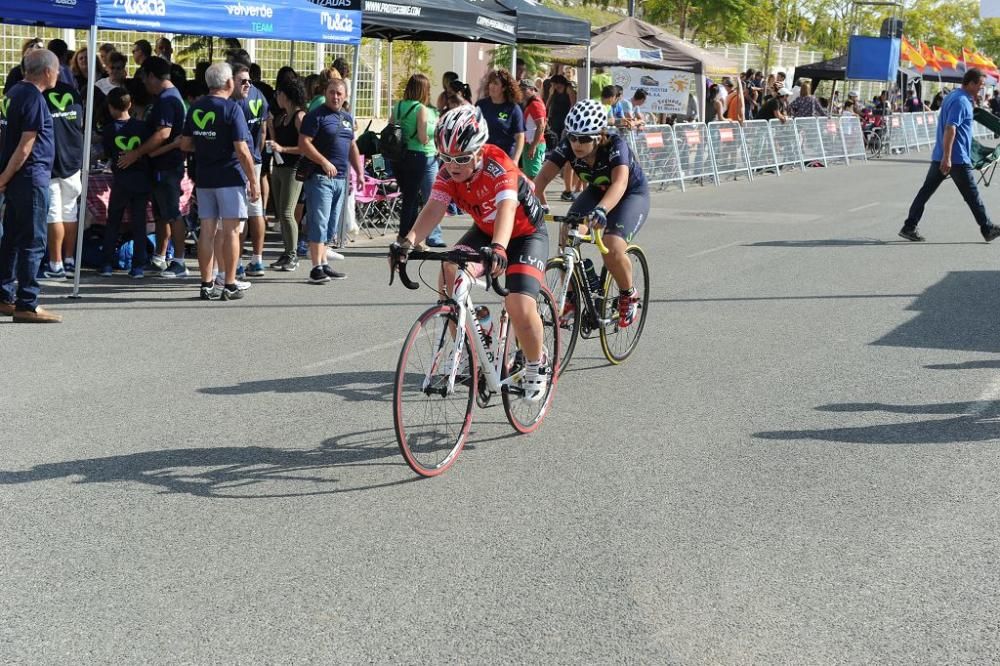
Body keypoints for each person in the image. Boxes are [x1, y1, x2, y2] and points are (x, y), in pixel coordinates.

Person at [389, 106, 552, 401]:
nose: (453, 166)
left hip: (525, 234)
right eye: (446, 158)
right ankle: (473, 342)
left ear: (479, 152)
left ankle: (536, 361)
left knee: (518, 304)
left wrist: (500, 248)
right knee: (449, 269)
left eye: (462, 159)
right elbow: (435, 207)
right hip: (488, 232)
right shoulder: (448, 172)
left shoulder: (498, 164)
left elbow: (506, 208)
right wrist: (408, 241)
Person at [533, 99, 649, 329]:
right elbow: (542, 178)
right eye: (573, 136)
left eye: (584, 139)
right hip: (597, 191)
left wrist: (602, 210)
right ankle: (576, 294)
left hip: (630, 194)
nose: (577, 143)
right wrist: (533, 202)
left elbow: (620, 183)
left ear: (599, 136)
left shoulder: (616, 145)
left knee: (612, 245)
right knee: (568, 233)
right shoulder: (569, 146)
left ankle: (629, 295)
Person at [180, 62, 259, 301]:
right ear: (228, 82)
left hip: (204, 177)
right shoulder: (232, 109)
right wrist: (254, 181)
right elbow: (242, 150)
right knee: (232, 231)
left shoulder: (195, 108)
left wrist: (205, 145)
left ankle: (206, 284)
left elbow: (184, 144)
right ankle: (230, 283)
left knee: (207, 230)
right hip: (229, 176)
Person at [899, 68, 1000, 243]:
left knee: (926, 192)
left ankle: (909, 226)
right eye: (980, 85)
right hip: (956, 158)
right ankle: (987, 227)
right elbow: (950, 128)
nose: (981, 89)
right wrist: (948, 157)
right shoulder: (961, 101)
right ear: (970, 83)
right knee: (972, 195)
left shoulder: (955, 96)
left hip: (943, 155)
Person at [0, 48, 61, 323]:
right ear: (47, 71)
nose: (59, 74)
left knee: (11, 238)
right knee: (33, 241)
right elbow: (26, 145)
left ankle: (4, 296)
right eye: (57, 69)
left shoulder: (12, 94)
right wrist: (4, 178)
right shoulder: (34, 98)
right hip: (30, 177)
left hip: (16, 179)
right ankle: (27, 302)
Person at [119, 56, 189, 277]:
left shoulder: (168, 100)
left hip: (168, 166)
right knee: (161, 213)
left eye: (144, 78)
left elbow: (163, 133)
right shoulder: (166, 97)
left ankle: (179, 261)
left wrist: (137, 153)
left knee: (171, 213)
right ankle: (160, 257)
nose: (144, 85)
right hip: (161, 165)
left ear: (151, 75)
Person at [297, 77, 364, 284]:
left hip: (341, 179)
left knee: (332, 223)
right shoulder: (315, 116)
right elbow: (304, 144)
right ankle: (316, 267)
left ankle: (324, 262)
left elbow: (352, 146)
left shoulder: (347, 117)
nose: (335, 96)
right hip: (320, 177)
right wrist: (323, 162)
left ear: (345, 96)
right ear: (325, 93)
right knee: (319, 220)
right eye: (332, 92)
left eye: (339, 93)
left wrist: (359, 173)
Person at [100, 87, 152, 278]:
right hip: (141, 180)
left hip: (120, 180)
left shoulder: (109, 130)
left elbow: (107, 154)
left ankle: (106, 263)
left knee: (113, 221)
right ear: (130, 105)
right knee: (139, 223)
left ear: (111, 108)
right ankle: (138, 266)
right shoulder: (142, 127)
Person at [391, 73, 445, 248]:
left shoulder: (398, 105)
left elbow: (391, 126)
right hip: (417, 155)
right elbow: (422, 137)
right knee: (413, 199)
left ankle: (412, 238)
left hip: (399, 157)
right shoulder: (420, 108)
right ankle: (405, 237)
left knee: (409, 197)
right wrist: (432, 137)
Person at [41, 78, 84, 280]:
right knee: (70, 211)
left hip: (51, 160)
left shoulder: (39, 95)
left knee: (54, 213)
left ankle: (55, 264)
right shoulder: (72, 92)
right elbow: (80, 123)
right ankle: (69, 260)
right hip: (74, 160)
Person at [230, 63, 269, 277]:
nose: (246, 84)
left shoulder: (235, 100)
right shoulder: (259, 95)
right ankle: (257, 259)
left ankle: (238, 262)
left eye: (246, 81)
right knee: (255, 210)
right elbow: (263, 130)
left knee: (241, 213)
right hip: (254, 158)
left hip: (240, 160)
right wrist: (257, 155)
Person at [266, 78, 307, 271]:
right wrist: (271, 131)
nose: (277, 97)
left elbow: (304, 148)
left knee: (287, 212)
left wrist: (282, 148)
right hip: (280, 167)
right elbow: (276, 143)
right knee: (281, 213)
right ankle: (287, 251)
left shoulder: (299, 117)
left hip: (293, 169)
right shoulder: (282, 116)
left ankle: (292, 254)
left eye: (279, 94)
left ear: (287, 96)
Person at [477, 69, 525, 163]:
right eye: (490, 83)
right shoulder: (481, 105)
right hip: (482, 158)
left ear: (504, 88)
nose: (491, 86)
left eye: (495, 83)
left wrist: (515, 160)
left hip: (504, 160)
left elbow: (520, 136)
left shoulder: (513, 109)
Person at [545, 73, 576, 202]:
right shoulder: (554, 92)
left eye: (555, 84)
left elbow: (573, 104)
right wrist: (551, 93)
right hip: (555, 120)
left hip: (565, 121)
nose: (554, 86)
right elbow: (547, 105)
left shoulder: (568, 89)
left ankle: (569, 183)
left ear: (560, 83)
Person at [519, 79, 548, 181]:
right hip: (530, 143)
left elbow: (541, 126)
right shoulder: (532, 103)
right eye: (520, 89)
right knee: (529, 177)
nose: (521, 92)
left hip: (534, 143)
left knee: (534, 178)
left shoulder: (535, 104)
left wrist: (533, 146)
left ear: (532, 89)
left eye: (523, 89)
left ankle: (538, 197)